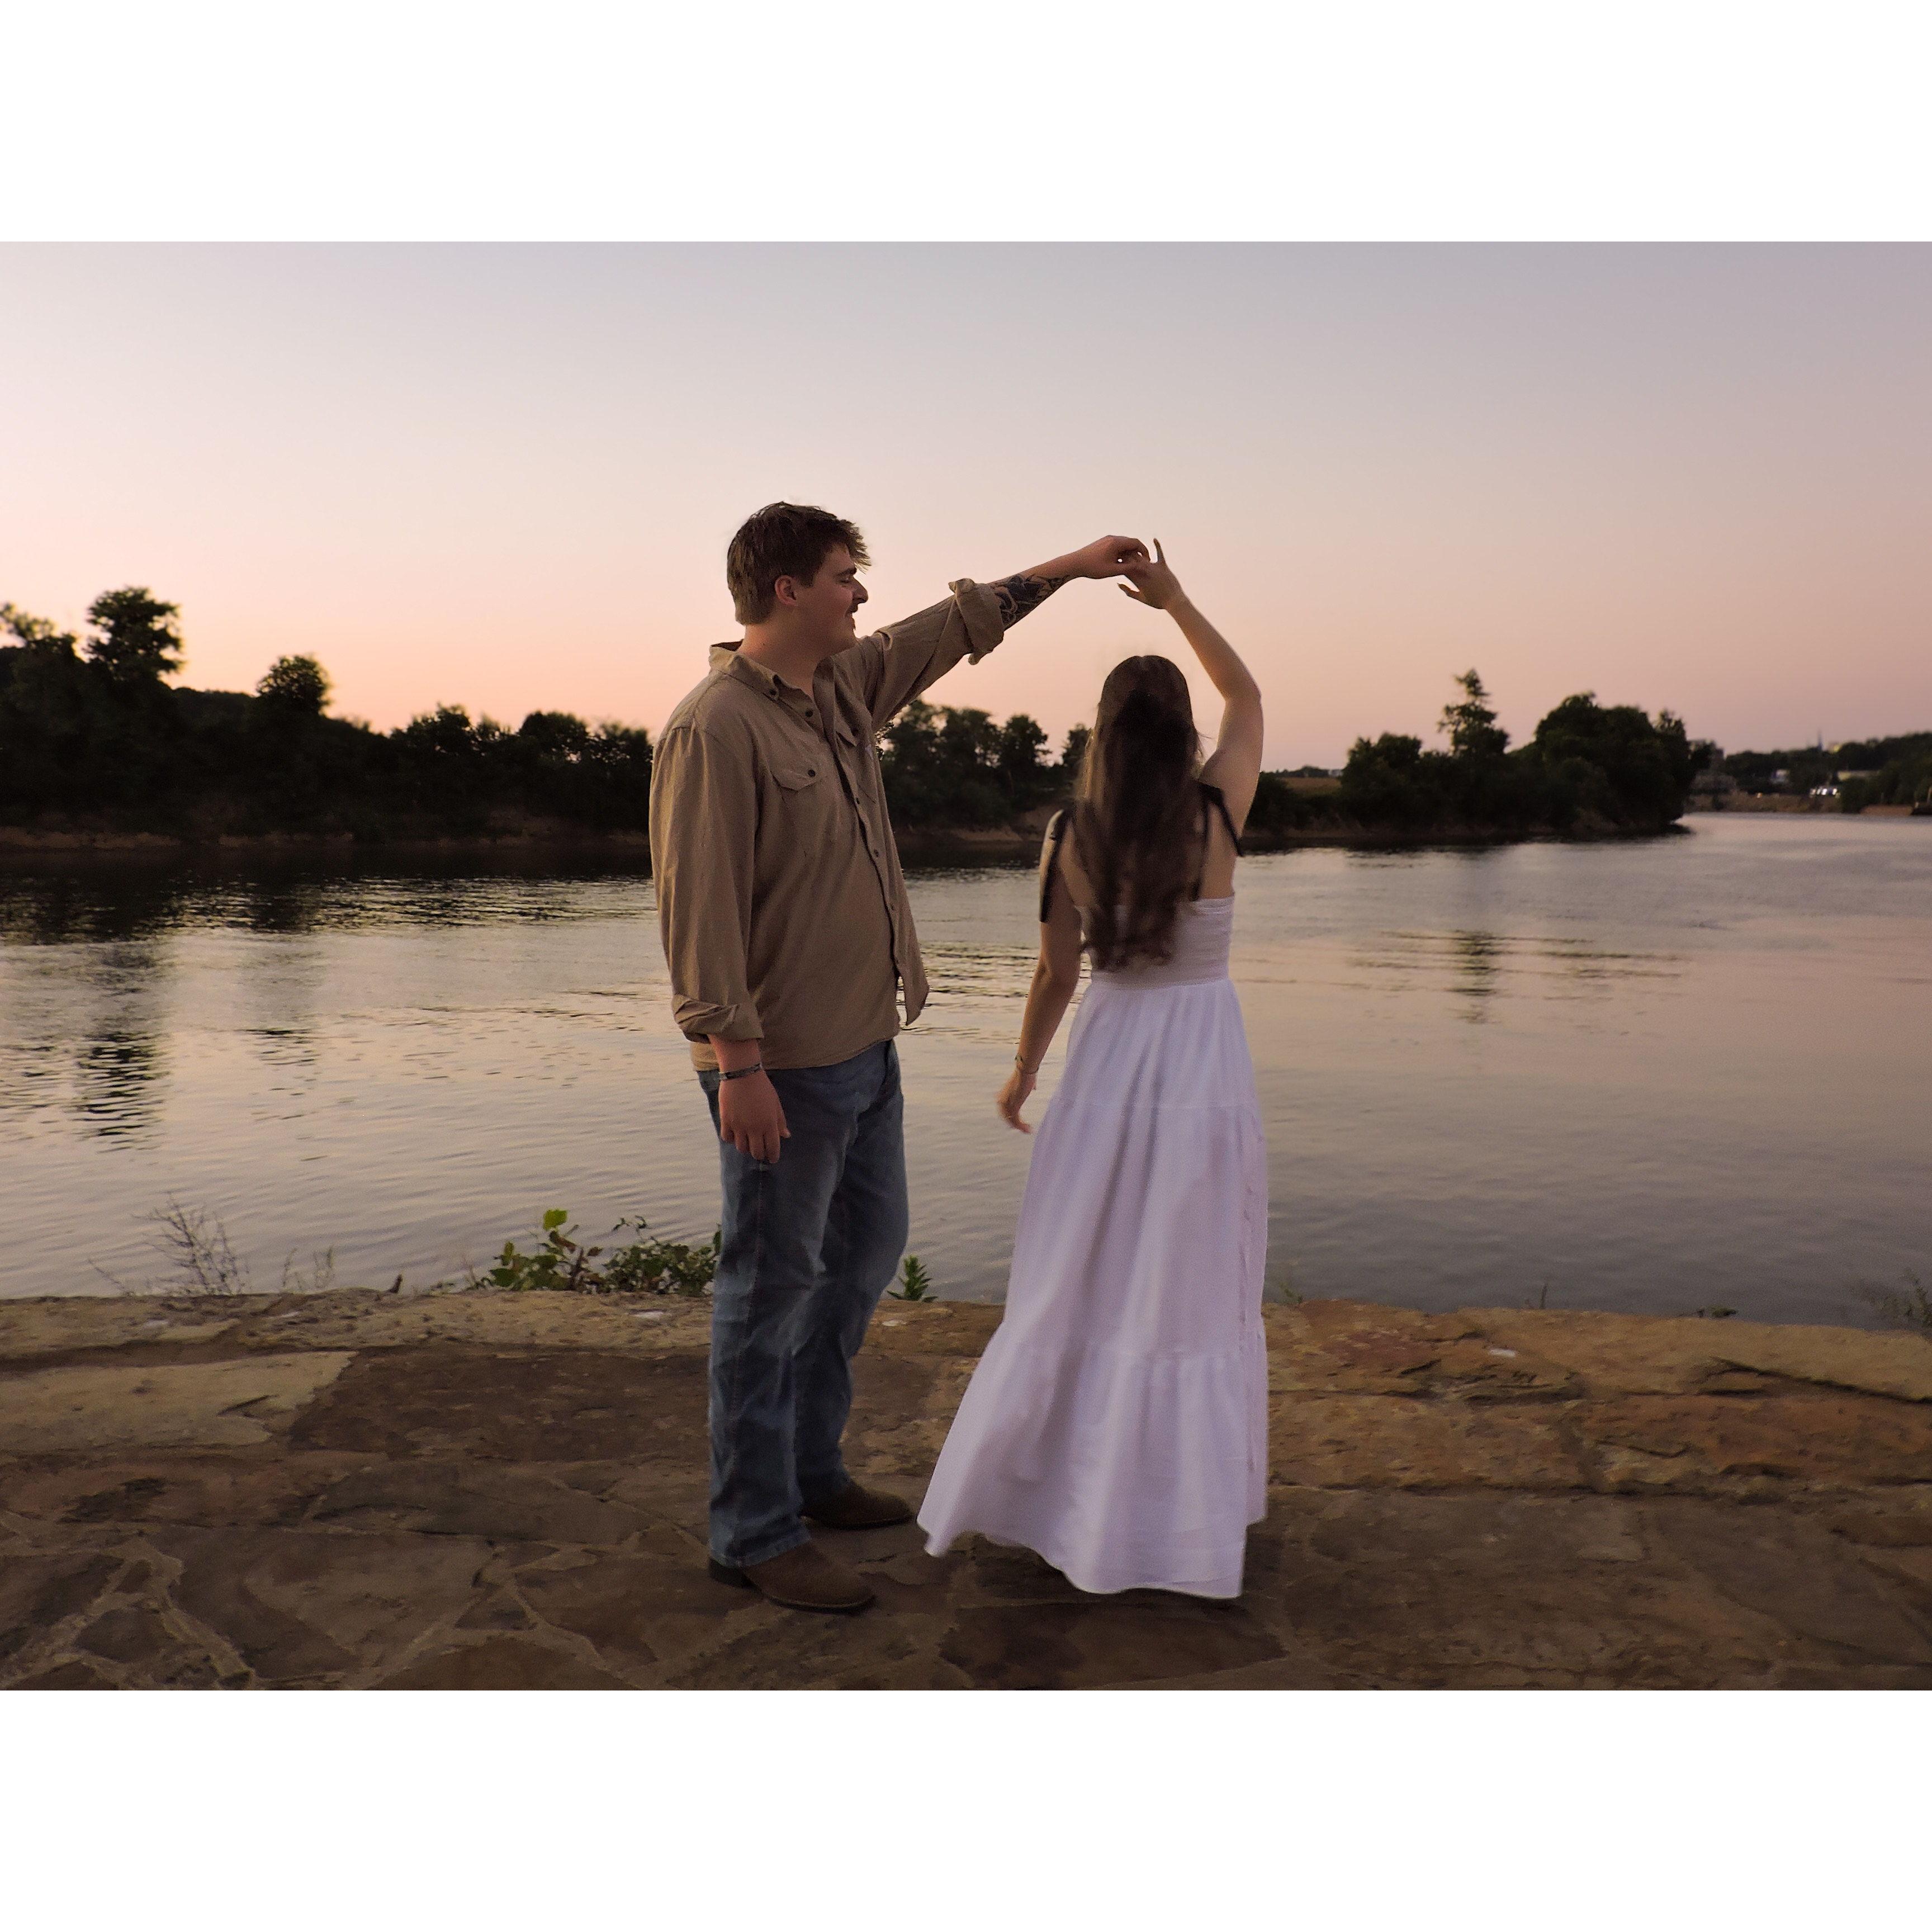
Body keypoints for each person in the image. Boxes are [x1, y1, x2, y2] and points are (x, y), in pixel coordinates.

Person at [650, 502, 1149, 1614]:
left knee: (862, 1259)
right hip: (781, 1067)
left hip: (867, 1048)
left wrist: (1074, 566)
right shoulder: (714, 729)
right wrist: (739, 1066)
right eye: (844, 577)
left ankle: (811, 1472)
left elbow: (957, 625)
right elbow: (698, 912)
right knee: (768, 1293)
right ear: (788, 590)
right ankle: (753, 1532)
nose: (862, 594)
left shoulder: (842, 689)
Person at [917, 541, 1268, 1598]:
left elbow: (1056, 973)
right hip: (1200, 1071)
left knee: (1082, 1279)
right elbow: (1247, 696)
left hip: (1108, 1069)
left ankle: (1065, 1499)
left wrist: (1023, 1072)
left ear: (1102, 736)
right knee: (1186, 1288)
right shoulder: (1217, 813)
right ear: (1182, 735)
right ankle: (1174, 1521)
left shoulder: (1069, 833)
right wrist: (1176, 601)